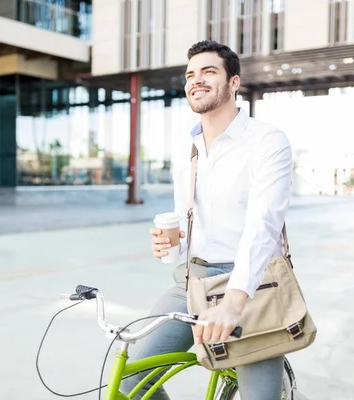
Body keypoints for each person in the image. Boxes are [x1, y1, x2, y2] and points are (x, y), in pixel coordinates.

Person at [121, 40, 293, 400]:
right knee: (131, 381)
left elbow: (263, 225)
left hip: (253, 287)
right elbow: (186, 228)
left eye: (208, 72)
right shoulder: (187, 150)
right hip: (192, 283)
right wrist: (171, 244)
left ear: (233, 83)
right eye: (190, 75)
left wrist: (233, 301)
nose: (196, 80)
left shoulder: (267, 141)